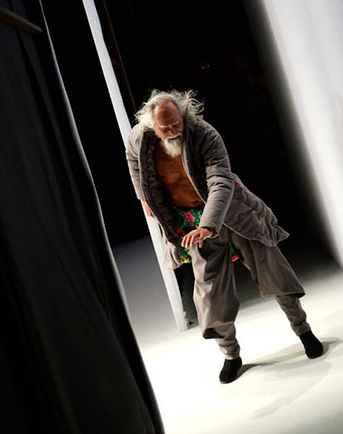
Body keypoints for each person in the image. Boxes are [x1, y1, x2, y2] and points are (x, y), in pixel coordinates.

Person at [125, 89, 323, 383]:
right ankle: (231, 355)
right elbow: (134, 164)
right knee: (211, 294)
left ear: (184, 115)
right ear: (151, 125)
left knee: (274, 273)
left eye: (177, 122)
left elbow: (219, 181)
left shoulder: (205, 134)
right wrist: (143, 197)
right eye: (165, 127)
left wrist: (209, 224)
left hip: (232, 211)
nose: (172, 130)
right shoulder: (139, 140)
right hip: (189, 222)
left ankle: (304, 331)